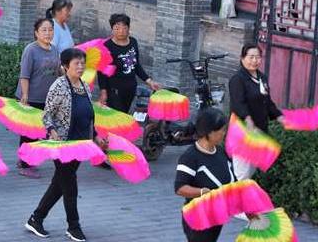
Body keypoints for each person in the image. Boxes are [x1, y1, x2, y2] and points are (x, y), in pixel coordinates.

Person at [24, 48, 103, 242]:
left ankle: (36, 219)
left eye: (83, 63)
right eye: (77, 63)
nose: (81, 66)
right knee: (70, 186)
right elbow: (47, 114)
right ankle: (73, 227)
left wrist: (96, 136)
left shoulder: (84, 86)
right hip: (63, 144)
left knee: (59, 184)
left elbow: (88, 115)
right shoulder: (59, 86)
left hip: (81, 144)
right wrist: (52, 131)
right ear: (66, 66)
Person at [174, 108, 236, 242]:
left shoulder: (221, 152)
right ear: (210, 132)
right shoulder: (190, 157)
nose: (224, 133)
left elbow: (233, 181)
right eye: (222, 130)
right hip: (198, 217)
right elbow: (179, 188)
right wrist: (202, 192)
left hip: (216, 216)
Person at [228, 43, 284, 180]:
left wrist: (280, 117)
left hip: (259, 132)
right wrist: (248, 119)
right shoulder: (238, 80)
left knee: (251, 171)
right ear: (242, 58)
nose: (255, 61)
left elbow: (267, 102)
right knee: (242, 175)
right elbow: (238, 103)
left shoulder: (262, 78)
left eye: (258, 57)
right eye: (251, 57)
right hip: (243, 133)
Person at [16, 18, 62, 178]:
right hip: (31, 97)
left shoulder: (55, 50)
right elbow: (24, 74)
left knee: (41, 132)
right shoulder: (31, 50)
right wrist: (25, 95)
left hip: (47, 98)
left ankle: (27, 160)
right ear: (36, 33)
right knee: (28, 133)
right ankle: (24, 164)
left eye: (50, 30)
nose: (48, 33)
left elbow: (57, 71)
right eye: (44, 30)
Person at [97, 13, 161, 113]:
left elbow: (136, 65)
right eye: (117, 28)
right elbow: (102, 71)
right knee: (118, 116)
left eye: (124, 28)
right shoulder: (107, 46)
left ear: (128, 28)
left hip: (130, 88)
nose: (121, 31)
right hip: (114, 89)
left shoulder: (133, 42)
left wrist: (149, 81)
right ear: (112, 29)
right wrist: (103, 91)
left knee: (125, 113)